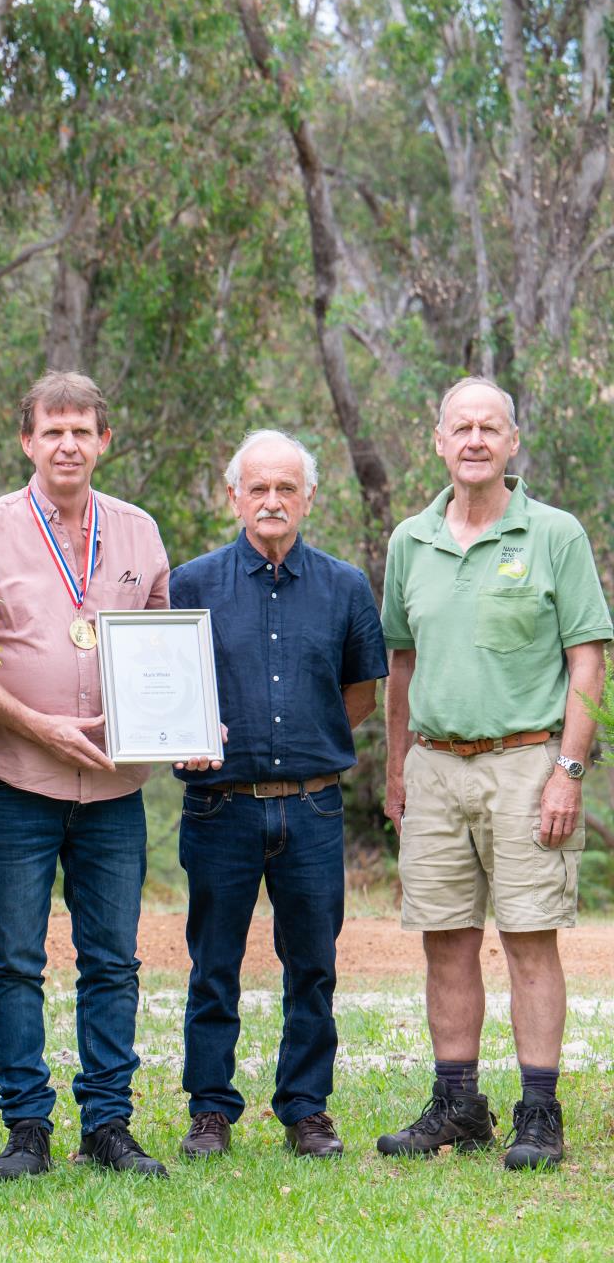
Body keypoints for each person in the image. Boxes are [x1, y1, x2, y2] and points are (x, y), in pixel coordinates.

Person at [377, 376, 611, 1170]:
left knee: (529, 939)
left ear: (513, 443)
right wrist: (396, 766)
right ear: (438, 441)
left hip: (526, 761)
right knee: (444, 941)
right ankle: (458, 1105)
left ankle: (538, 1111)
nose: (474, 440)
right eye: (460, 427)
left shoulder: (554, 534)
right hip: (435, 765)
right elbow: (401, 663)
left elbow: (587, 657)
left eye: (490, 428)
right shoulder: (410, 540)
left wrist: (569, 769)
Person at [0, 370, 173, 1180]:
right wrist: (35, 722)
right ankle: (26, 1126)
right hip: (15, 779)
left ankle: (109, 1123)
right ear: (26, 440)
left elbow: (161, 652)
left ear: (105, 440)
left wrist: (186, 717)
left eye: (83, 430)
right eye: (53, 430)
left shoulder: (141, 533)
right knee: (13, 956)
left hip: (115, 790)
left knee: (112, 957)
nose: (68, 444)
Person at [169, 430, 387, 1160]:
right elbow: (168, 690)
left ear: (308, 498)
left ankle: (305, 1107)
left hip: (314, 805)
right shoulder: (191, 583)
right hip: (218, 805)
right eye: (257, 487)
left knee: (313, 964)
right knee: (214, 963)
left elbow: (357, 692)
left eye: (285, 488)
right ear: (233, 495)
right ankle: (210, 1109)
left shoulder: (346, 585)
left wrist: (305, 747)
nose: (271, 500)